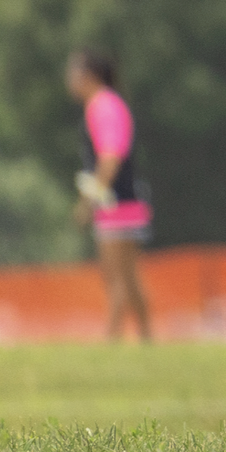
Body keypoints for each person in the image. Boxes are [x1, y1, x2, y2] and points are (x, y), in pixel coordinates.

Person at [66, 50, 152, 343]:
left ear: (89, 75)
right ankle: (146, 338)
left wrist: (88, 201)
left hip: (115, 203)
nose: (69, 79)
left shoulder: (102, 106)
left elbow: (110, 157)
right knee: (129, 278)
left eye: (73, 72)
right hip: (129, 200)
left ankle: (112, 340)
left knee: (115, 278)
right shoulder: (110, 104)